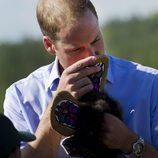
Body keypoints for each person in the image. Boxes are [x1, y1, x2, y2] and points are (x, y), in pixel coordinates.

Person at [3, 0, 158, 157]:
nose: (92, 56)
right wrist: (57, 107)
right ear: (49, 45)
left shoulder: (150, 85)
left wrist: (129, 141)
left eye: (96, 40)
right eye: (76, 49)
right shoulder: (21, 98)